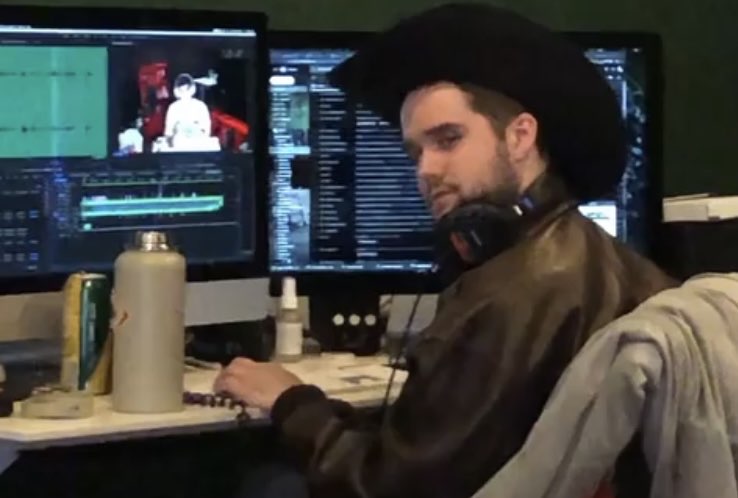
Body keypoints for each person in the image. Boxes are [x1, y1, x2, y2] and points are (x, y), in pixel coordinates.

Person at [215, 4, 677, 498]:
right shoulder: (621, 267)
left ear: (520, 136)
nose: (426, 170)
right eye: (416, 151)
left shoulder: (513, 295)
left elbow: (386, 486)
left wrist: (291, 401)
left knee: (269, 485)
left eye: (448, 140)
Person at [164, 73, 211, 142]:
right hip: (178, 146)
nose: (185, 93)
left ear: (192, 90)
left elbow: (206, 132)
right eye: (181, 91)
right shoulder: (173, 108)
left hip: (197, 146)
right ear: (176, 92)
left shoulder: (201, 107)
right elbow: (168, 132)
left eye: (187, 90)